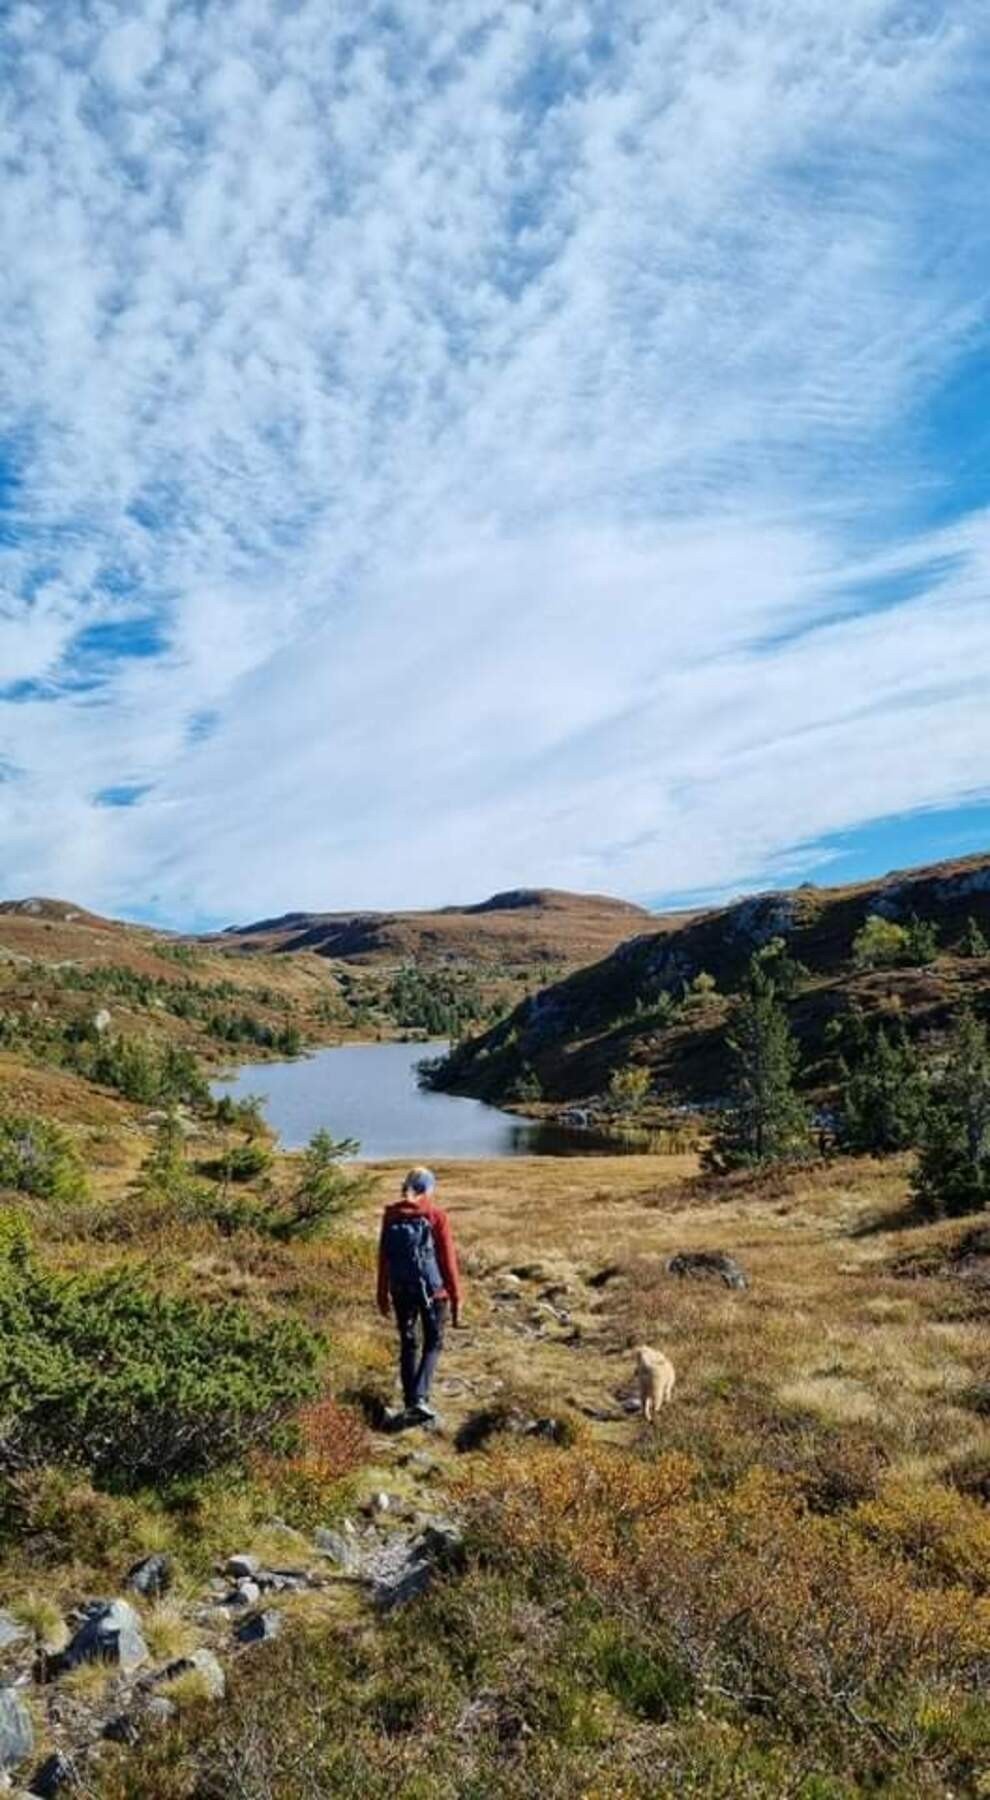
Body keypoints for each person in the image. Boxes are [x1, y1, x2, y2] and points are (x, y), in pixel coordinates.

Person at [377, 1167, 462, 1424]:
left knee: (408, 1342)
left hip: (400, 1289)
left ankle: (409, 1400)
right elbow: (448, 1261)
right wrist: (456, 1297)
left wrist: (382, 1293)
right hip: (433, 1292)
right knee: (434, 1342)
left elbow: (383, 1258)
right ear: (428, 1190)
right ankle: (420, 1398)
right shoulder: (436, 1216)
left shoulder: (391, 1216)